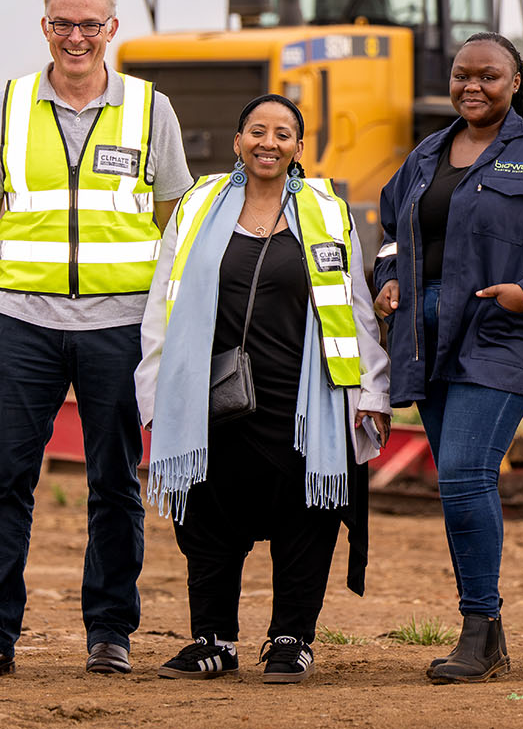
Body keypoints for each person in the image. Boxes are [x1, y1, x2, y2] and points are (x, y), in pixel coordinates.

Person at [0, 0, 193, 678]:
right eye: (63, 23)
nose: (76, 37)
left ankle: (110, 632)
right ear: (45, 27)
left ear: (113, 29)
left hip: (119, 327)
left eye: (90, 24)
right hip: (22, 322)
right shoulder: (11, 104)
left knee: (115, 480)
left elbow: (177, 220)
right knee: (6, 479)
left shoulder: (152, 109)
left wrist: (166, 322)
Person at [373, 32, 523, 683]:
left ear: (515, 82)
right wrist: (386, 280)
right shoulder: (426, 154)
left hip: (500, 333)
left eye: (490, 76)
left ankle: (480, 625)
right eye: (462, 75)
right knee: (457, 483)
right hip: (428, 336)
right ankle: (487, 632)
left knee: (465, 470)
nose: (473, 86)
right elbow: (393, 231)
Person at [135, 94, 392, 682]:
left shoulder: (329, 211)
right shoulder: (197, 205)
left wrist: (372, 390)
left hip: (304, 397)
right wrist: (154, 394)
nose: (268, 143)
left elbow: (353, 306)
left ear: (300, 147)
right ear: (237, 141)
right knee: (206, 515)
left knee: (309, 512)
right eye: (257, 131)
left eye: (283, 134)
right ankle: (213, 640)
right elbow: (161, 306)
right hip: (210, 395)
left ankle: (291, 639)